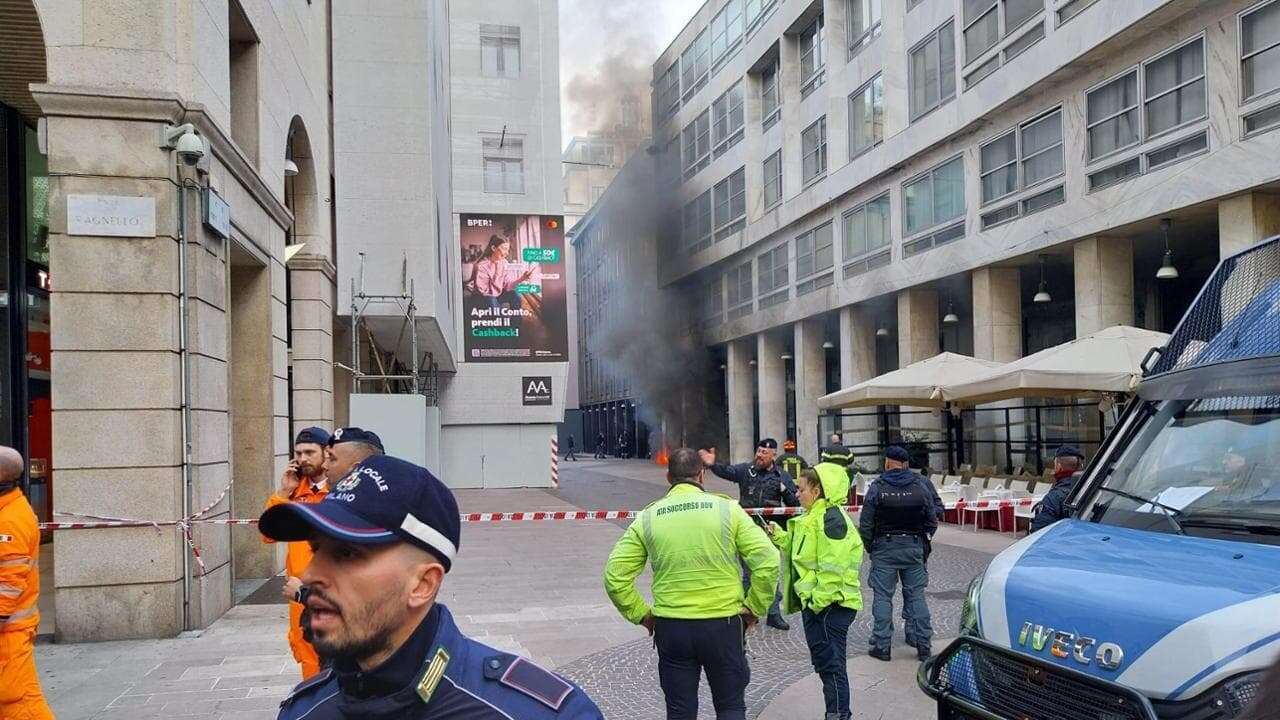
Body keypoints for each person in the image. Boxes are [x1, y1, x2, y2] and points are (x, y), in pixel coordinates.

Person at [262, 454, 603, 719]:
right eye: (317, 549)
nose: (308, 576)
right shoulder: (302, 712)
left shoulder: (534, 714)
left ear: (423, 585)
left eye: (348, 553)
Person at [604, 448, 778, 720]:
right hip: (723, 625)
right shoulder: (727, 510)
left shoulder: (648, 517)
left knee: (680, 711)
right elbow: (768, 560)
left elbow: (615, 575)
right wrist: (755, 607)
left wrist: (642, 615)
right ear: (701, 475)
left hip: (673, 628)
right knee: (731, 707)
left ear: (668, 477)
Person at [766, 466, 864, 720]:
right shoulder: (816, 517)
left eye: (801, 489)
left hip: (830, 607)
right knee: (827, 666)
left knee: (831, 668)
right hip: (823, 606)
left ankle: (839, 715)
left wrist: (817, 603)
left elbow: (833, 569)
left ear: (817, 490)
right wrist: (780, 537)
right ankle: (837, 713)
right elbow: (806, 553)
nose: (797, 494)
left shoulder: (831, 519)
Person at [699, 439, 798, 630]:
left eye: (764, 453)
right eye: (758, 451)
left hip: (770, 532)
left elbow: (794, 504)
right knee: (748, 574)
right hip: (746, 530)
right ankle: (746, 611)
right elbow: (728, 472)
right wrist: (713, 465)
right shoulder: (746, 470)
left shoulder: (781, 476)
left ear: (773, 455)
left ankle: (773, 613)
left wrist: (786, 492)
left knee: (771, 571)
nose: (760, 455)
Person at [263, 427, 333, 679]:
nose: (303, 459)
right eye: (299, 453)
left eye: (310, 452)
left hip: (331, 589)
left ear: (327, 453)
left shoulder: (338, 489)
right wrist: (283, 493)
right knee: (307, 656)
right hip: (298, 594)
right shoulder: (294, 492)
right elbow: (269, 534)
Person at [859, 446, 936, 662]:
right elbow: (932, 520)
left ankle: (882, 646)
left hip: (885, 547)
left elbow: (865, 524)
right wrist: (923, 542)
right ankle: (923, 645)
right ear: (904, 464)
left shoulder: (877, 487)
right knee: (916, 596)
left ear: (887, 463)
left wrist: (871, 547)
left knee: (883, 596)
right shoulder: (920, 485)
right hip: (913, 547)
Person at [0, 446, 54, 720]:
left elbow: (7, 580)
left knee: (19, 701)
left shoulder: (10, 520)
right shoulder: (8, 511)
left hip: (9, 633)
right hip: (11, 631)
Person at [471, 235, 535, 311]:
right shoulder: (481, 266)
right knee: (491, 300)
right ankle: (499, 320)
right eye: (504, 249)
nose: (507, 253)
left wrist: (522, 279)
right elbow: (486, 292)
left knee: (516, 295)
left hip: (496, 295)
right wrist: (497, 272)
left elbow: (508, 286)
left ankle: (516, 322)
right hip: (484, 297)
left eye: (508, 250)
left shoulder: (504, 263)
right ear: (493, 248)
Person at [1029, 446, 1084, 533]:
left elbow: (1039, 534)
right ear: (1081, 467)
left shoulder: (1052, 498)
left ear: (1058, 466)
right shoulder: (1093, 491)